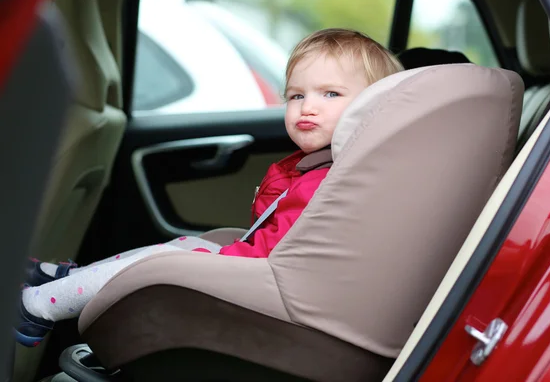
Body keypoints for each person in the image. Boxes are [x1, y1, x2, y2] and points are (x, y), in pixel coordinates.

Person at [15, 28, 404, 347]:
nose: (307, 107)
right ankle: (61, 280)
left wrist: (222, 259)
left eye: (330, 94)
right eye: (297, 95)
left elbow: (279, 254)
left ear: (370, 108)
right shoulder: (311, 168)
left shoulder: (327, 182)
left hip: (270, 285)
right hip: (264, 272)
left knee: (162, 261)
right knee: (177, 247)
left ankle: (37, 308)